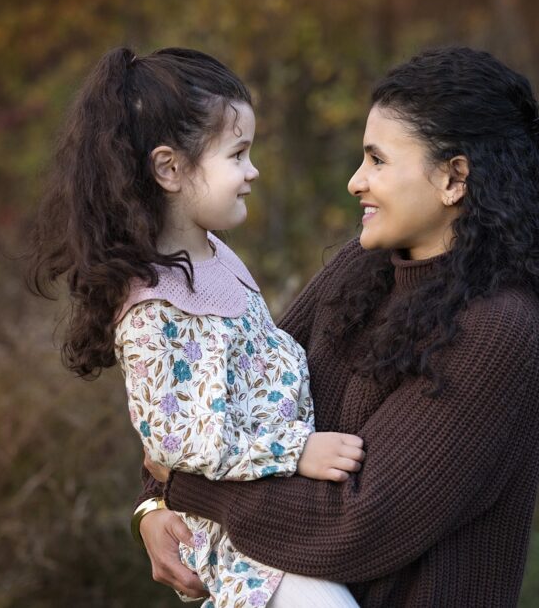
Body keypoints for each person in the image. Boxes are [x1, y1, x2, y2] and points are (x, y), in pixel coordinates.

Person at [134, 46, 539, 607]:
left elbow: (356, 524)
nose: (355, 181)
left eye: (377, 160)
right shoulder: (365, 266)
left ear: (454, 178)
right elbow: (240, 392)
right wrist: (156, 503)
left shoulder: (500, 330)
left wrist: (188, 487)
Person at [26, 47, 363, 608]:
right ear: (170, 168)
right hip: (247, 553)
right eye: (238, 154)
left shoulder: (216, 257)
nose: (252, 170)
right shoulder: (154, 309)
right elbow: (179, 442)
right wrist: (296, 450)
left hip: (284, 528)